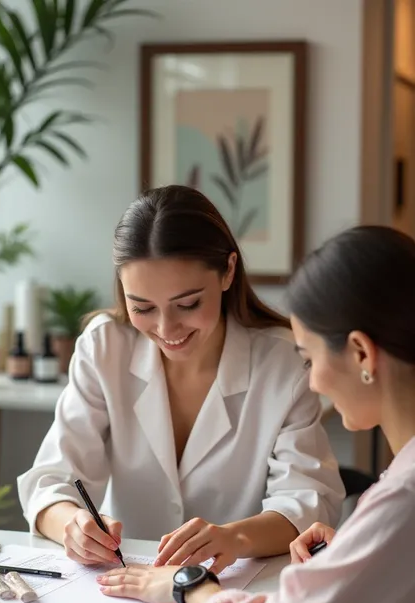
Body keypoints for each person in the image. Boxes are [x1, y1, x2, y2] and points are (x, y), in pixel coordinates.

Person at [99, 224, 415, 603]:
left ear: (360, 353)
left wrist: (190, 586)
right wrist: (356, 553)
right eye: (143, 307)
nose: (310, 384)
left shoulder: (405, 499)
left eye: (308, 359)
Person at [18, 185, 343, 571]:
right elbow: (51, 479)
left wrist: (233, 537)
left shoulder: (285, 360)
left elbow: (307, 499)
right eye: (142, 307)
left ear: (228, 271)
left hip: (234, 586)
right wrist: (72, 526)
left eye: (187, 304)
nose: (166, 328)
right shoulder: (105, 345)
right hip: (124, 582)